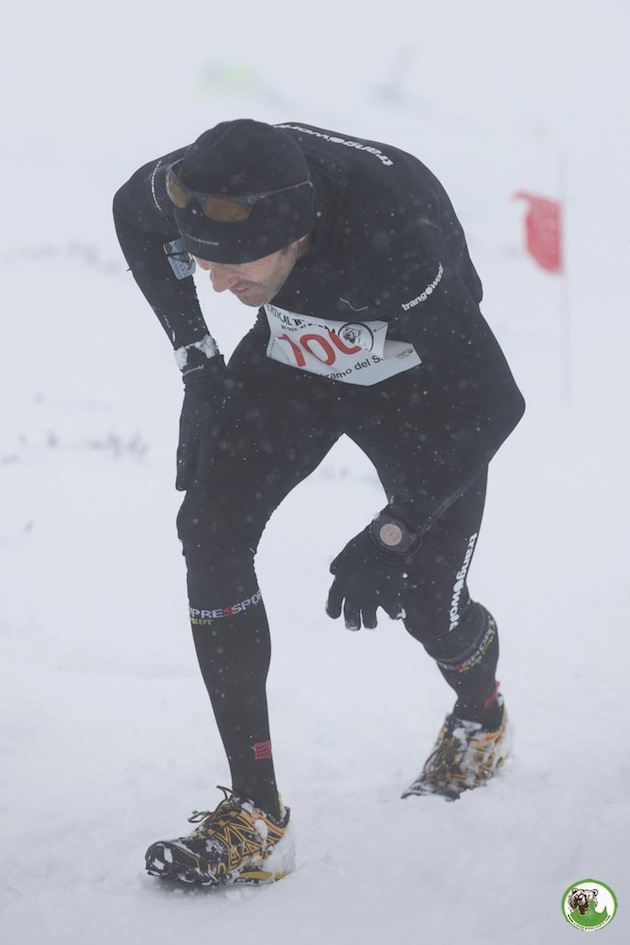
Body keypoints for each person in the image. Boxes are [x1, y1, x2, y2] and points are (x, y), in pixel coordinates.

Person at [113, 119, 525, 887]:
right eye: (205, 259)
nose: (216, 282)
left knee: (429, 604)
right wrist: (198, 364)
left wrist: (394, 530)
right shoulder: (207, 180)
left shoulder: (397, 235)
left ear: (296, 232)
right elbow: (129, 213)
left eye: (235, 264)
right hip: (297, 357)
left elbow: (495, 404)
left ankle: (481, 714)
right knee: (209, 528)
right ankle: (257, 814)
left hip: (423, 386)